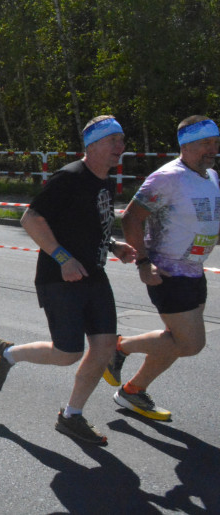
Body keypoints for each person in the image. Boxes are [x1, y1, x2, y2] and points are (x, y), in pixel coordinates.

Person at [0, 115, 137, 445]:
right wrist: (63, 258)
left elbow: (91, 225)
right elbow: (31, 218)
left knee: (104, 347)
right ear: (93, 145)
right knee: (67, 353)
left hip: (94, 276)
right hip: (59, 278)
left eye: (122, 141)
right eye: (114, 141)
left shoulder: (106, 181)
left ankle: (72, 416)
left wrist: (114, 245)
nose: (121, 148)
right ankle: (7, 354)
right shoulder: (68, 178)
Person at [102, 115, 220, 422]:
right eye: (206, 144)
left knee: (173, 340)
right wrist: (143, 262)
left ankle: (133, 390)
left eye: (216, 143)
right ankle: (119, 348)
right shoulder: (167, 177)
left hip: (194, 269)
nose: (214, 149)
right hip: (167, 271)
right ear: (187, 145)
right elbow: (131, 217)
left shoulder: (211, 176)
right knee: (190, 344)